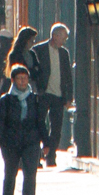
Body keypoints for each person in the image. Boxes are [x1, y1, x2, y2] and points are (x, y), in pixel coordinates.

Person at [0, 61, 46, 195]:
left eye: (25, 78)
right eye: (19, 78)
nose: (22, 81)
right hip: (10, 141)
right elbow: (0, 122)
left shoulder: (35, 99)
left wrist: (46, 142)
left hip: (31, 141)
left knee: (30, 174)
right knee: (10, 172)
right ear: (13, 80)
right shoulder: (6, 100)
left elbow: (41, 122)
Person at [28, 22, 73, 166]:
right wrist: (36, 90)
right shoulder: (38, 50)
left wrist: (69, 97)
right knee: (39, 123)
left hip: (58, 95)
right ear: (54, 36)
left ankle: (51, 156)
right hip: (43, 93)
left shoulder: (64, 53)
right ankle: (39, 153)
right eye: (63, 38)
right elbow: (32, 72)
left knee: (56, 128)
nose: (64, 41)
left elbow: (68, 76)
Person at [0, 24, 38, 96]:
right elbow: (18, 71)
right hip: (18, 87)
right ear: (25, 40)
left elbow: (38, 69)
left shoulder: (32, 54)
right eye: (31, 41)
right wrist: (32, 71)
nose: (33, 43)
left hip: (30, 86)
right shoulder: (15, 55)